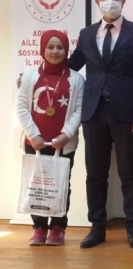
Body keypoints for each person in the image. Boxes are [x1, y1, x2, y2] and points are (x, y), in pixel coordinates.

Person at [68, 0, 133, 249]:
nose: (110, 0)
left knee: (129, 173)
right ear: (97, 1)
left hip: (128, 114)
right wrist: (37, 76)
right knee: (95, 173)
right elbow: (71, 66)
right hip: (93, 112)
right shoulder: (86, 34)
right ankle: (97, 228)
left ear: (123, 0)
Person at [16, 30, 84, 246]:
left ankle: (57, 227)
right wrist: (33, 135)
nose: (55, 51)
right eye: (50, 47)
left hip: (63, 144)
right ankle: (39, 228)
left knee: (61, 185)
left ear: (67, 50)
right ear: (42, 49)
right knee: (36, 184)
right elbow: (21, 107)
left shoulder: (77, 79)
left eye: (60, 47)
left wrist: (66, 135)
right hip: (34, 143)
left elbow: (79, 110)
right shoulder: (29, 76)